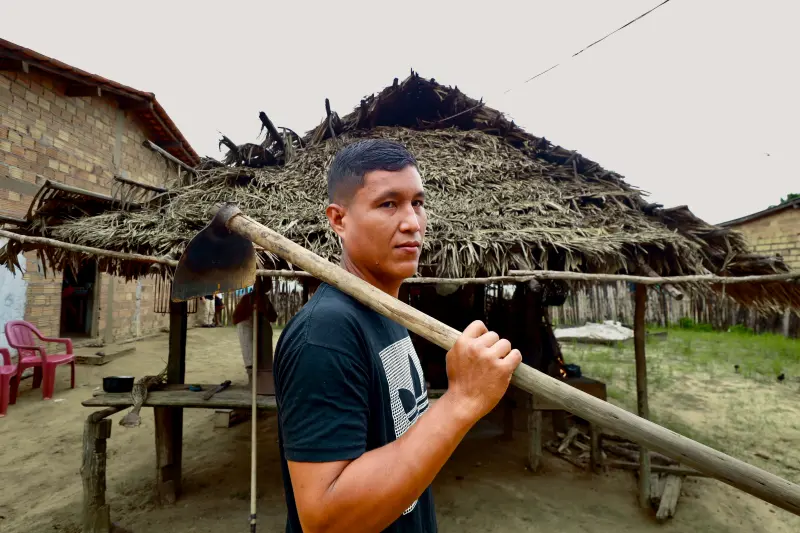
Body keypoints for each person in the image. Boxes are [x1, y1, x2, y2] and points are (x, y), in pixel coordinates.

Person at [273, 139, 522, 533]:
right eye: (388, 204)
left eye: (417, 203)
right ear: (338, 220)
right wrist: (461, 401)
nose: (412, 222)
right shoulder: (325, 334)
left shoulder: (389, 312)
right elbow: (325, 519)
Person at [233, 281, 278, 383]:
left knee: (263, 354)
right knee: (249, 353)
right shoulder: (247, 298)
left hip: (260, 326)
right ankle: (252, 379)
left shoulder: (264, 299)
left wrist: (263, 312)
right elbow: (236, 316)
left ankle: (262, 378)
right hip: (246, 325)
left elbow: (273, 316)